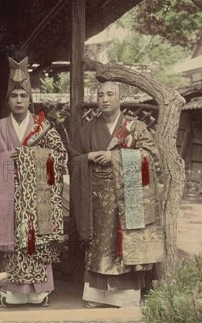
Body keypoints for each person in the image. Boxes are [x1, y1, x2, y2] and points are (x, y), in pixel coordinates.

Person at [0, 57, 66, 307]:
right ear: (7, 100)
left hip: (37, 197)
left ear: (30, 100)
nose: (19, 100)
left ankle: (40, 291)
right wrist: (7, 158)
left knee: (36, 244)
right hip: (8, 196)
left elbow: (60, 156)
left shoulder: (43, 127)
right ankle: (12, 291)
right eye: (14, 95)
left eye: (23, 96)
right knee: (14, 246)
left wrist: (30, 157)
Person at [69, 79, 164, 308]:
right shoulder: (87, 129)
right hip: (98, 198)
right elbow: (73, 158)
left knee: (127, 239)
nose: (104, 99)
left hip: (131, 196)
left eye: (110, 94)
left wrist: (116, 157)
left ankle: (128, 295)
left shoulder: (134, 126)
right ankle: (98, 296)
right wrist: (87, 158)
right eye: (100, 95)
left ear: (119, 98)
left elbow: (152, 158)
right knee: (101, 244)